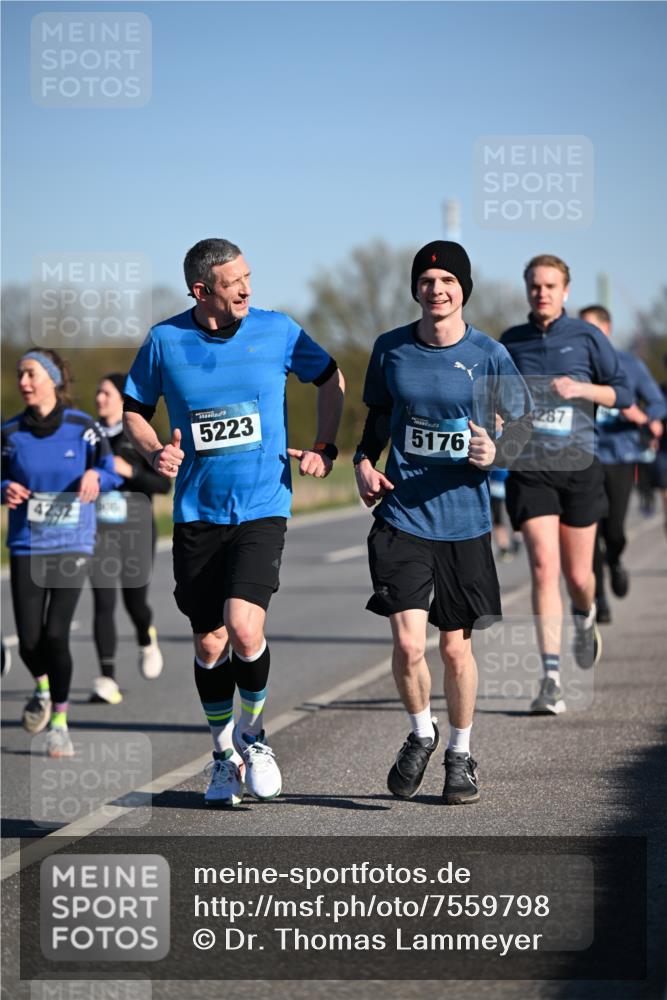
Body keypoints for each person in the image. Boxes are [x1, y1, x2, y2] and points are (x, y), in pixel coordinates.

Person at [123, 238, 344, 807]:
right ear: (201, 291)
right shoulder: (165, 342)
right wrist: (153, 453)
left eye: (249, 275)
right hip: (198, 511)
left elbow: (330, 377)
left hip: (262, 504)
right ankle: (223, 755)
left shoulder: (278, 331)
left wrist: (325, 444)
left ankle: (254, 735)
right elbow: (134, 411)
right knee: (209, 640)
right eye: (233, 281)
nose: (247, 287)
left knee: (244, 627)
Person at [354, 240, 532, 805]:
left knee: (455, 650)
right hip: (403, 516)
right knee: (409, 644)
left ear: (463, 289)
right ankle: (420, 733)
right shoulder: (391, 350)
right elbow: (379, 418)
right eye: (427, 281)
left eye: (447, 281)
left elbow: (523, 425)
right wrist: (362, 461)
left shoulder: (489, 355)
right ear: (417, 289)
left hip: (465, 521)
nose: (437, 290)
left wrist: (494, 451)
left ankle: (460, 751)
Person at [500, 256, 631, 716]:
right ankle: (551, 678)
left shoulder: (588, 337)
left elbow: (622, 393)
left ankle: (585, 613)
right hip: (530, 468)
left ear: (566, 291)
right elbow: (495, 397)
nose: (542, 293)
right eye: (535, 286)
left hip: (579, 467)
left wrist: (582, 391)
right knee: (541, 568)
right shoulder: (510, 342)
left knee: (578, 577)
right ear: (527, 290)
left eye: (551, 286)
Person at [1, 350, 120, 757]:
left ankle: (60, 724)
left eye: (31, 373)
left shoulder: (83, 428)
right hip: (27, 544)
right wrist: (5, 489)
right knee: (31, 641)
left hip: (72, 542)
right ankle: (43, 687)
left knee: (56, 634)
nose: (24, 382)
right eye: (20, 375)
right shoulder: (10, 432)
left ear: (52, 379)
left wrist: (94, 475)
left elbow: (109, 471)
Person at [578, 306, 665, 623]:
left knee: (614, 529)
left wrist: (647, 419)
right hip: (583, 458)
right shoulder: (574, 366)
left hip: (621, 455)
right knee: (590, 531)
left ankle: (615, 560)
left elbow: (656, 402)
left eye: (594, 329)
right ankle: (600, 599)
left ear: (608, 329)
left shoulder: (629, 365)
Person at [89, 373, 171, 704]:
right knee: (102, 602)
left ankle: (145, 636)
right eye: (97, 392)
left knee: (134, 600)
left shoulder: (138, 435)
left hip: (137, 530)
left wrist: (131, 472)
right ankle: (107, 678)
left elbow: (164, 485)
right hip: (97, 531)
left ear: (122, 399)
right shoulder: (87, 436)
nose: (99, 399)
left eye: (106, 393)